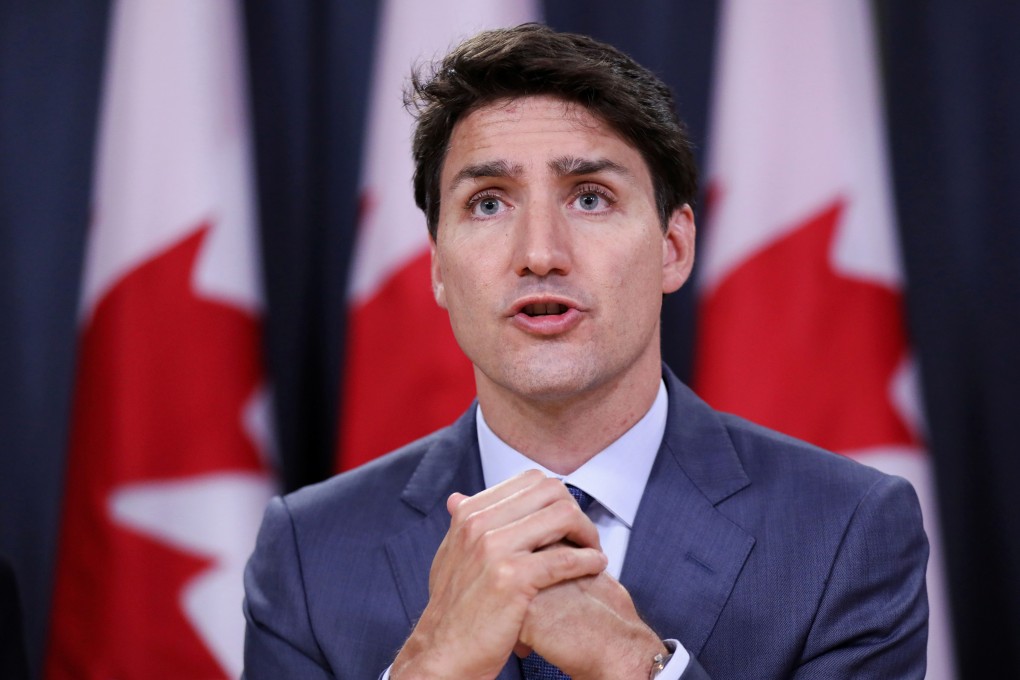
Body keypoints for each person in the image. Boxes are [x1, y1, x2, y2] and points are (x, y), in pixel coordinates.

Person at [242, 24, 928, 679]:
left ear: (674, 247)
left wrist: (631, 664)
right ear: (439, 271)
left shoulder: (846, 531)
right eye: (488, 203)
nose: (540, 254)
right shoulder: (306, 552)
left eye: (591, 198)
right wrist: (433, 666)